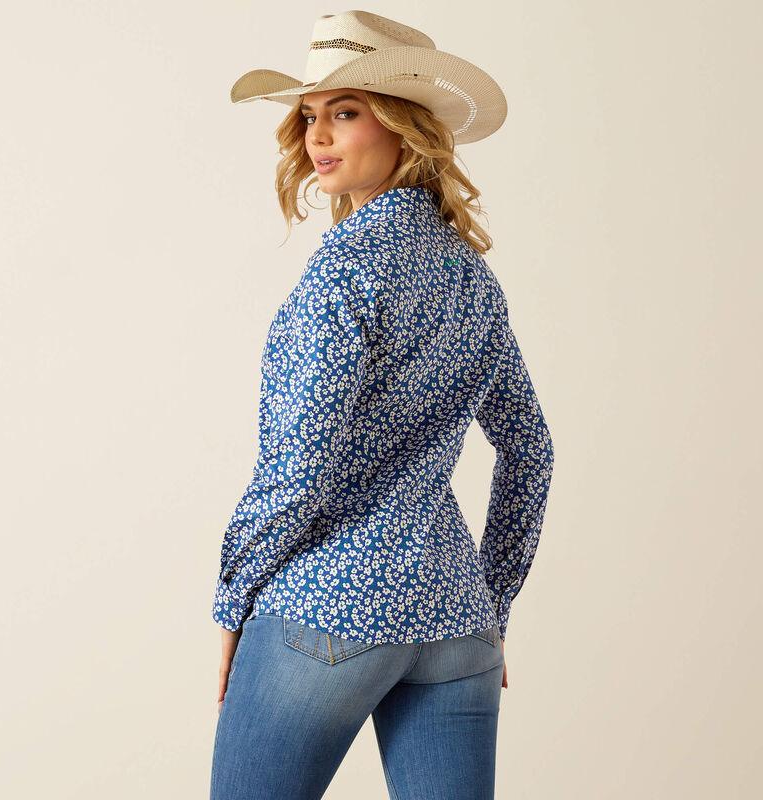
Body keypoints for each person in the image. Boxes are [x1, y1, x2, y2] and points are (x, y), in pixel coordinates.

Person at [210, 11, 555, 800]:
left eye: (345, 112)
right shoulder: (471, 277)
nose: (317, 136)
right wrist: (490, 601)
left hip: (328, 610)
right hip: (455, 622)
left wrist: (232, 598)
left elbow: (300, 471)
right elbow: (530, 448)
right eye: (308, 116)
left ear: (403, 126)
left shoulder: (343, 276)